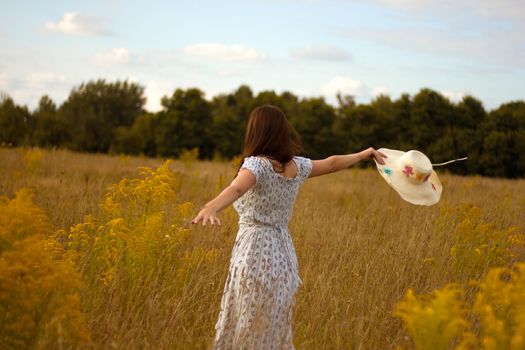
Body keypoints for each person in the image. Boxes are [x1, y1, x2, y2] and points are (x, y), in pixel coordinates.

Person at [191, 104, 387, 349]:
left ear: (255, 132)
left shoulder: (256, 165)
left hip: (254, 253)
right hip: (283, 256)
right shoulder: (296, 166)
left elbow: (237, 188)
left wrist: (211, 206)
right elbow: (331, 163)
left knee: (248, 321)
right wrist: (363, 154)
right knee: (272, 325)